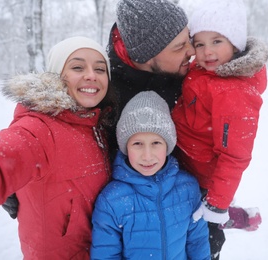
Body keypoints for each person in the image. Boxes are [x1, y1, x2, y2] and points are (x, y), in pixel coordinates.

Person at [0, 36, 118, 259]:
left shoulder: (100, 124)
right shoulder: (40, 128)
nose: (91, 75)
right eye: (77, 67)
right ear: (56, 75)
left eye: (100, 69)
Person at [171, 0, 268, 259]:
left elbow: (234, 156)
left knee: (203, 235)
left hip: (204, 179)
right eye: (199, 44)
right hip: (184, 161)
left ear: (234, 43)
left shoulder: (235, 92)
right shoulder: (203, 70)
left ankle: (222, 218)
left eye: (217, 41)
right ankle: (228, 214)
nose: (206, 51)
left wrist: (215, 204)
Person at [90, 91, 210, 260]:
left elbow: (197, 241)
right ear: (126, 147)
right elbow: (105, 255)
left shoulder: (188, 187)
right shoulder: (111, 200)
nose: (147, 156)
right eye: (137, 144)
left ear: (168, 146)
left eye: (156, 143)